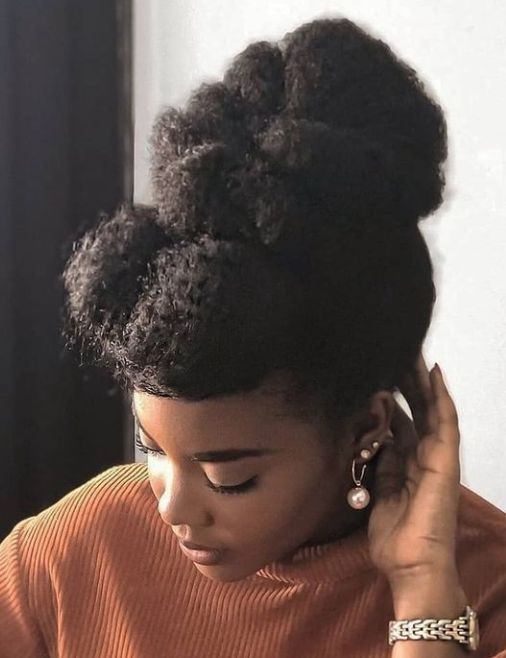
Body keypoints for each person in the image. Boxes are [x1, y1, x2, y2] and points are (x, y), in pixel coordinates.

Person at [1, 16, 505, 658]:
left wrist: (423, 593)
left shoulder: (486, 585)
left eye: (229, 478)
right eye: (151, 448)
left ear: (366, 428)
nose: (172, 508)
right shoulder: (71, 553)